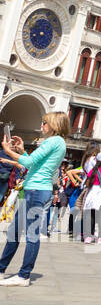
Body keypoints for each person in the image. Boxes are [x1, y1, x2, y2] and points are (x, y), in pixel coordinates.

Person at [0, 112, 70, 287]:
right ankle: (2, 269)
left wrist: (8, 151)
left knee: (30, 235)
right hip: (35, 189)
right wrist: (22, 150)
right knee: (15, 232)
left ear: (54, 124)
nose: (42, 125)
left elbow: (29, 163)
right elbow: (36, 162)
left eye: (45, 122)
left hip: (37, 191)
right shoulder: (58, 143)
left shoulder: (53, 141)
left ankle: (23, 275)